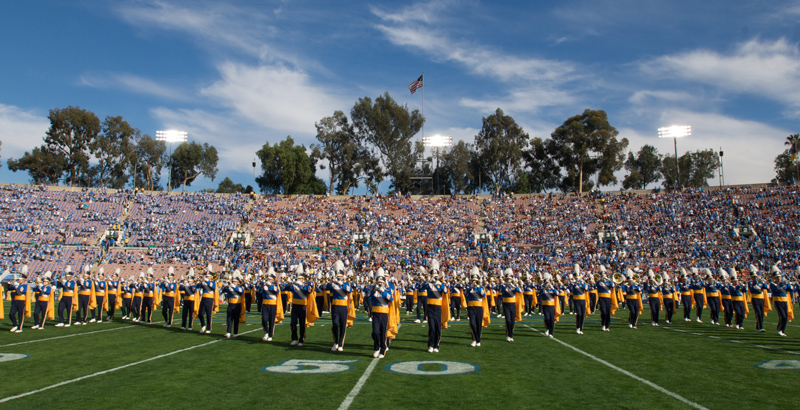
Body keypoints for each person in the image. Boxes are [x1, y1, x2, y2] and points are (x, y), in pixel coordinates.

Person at [326, 271, 351, 352]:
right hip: (335, 306)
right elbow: (325, 287)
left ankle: (340, 343)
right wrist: (331, 282)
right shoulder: (333, 284)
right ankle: (335, 342)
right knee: (335, 324)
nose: (339, 277)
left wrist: (341, 284)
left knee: (343, 325)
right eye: (338, 276)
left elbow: (349, 290)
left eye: (340, 276)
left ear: (343, 277)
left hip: (343, 307)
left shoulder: (346, 284)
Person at [369, 275, 393, 359]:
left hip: (384, 313)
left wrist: (383, 291)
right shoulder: (373, 289)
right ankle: (376, 347)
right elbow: (368, 297)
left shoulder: (387, 289)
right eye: (378, 282)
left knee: (383, 332)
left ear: (384, 283)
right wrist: (373, 291)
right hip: (375, 313)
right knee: (375, 332)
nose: (380, 284)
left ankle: (382, 350)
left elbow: (391, 299)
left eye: (381, 283)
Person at [287, 274, 314, 346]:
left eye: (300, 278)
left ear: (303, 279)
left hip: (303, 306)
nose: (298, 279)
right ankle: (294, 339)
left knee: (302, 323)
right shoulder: (294, 286)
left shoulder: (306, 286)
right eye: (297, 278)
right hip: (295, 306)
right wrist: (290, 282)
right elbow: (286, 288)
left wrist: (302, 285)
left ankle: (301, 339)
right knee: (293, 323)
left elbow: (309, 291)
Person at [424, 272, 448, 352]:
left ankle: (436, 345)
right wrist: (428, 281)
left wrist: (442, 283)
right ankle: (430, 345)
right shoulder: (429, 284)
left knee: (438, 327)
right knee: (432, 327)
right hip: (430, 308)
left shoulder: (440, 285)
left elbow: (446, 292)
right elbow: (421, 288)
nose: (435, 278)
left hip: (438, 308)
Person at [465, 273, 487, 346]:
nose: (474, 281)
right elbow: (466, 293)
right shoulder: (469, 287)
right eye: (473, 280)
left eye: (476, 280)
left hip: (479, 307)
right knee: (472, 323)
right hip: (471, 307)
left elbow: (484, 295)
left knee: (478, 324)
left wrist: (477, 287)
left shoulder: (480, 288)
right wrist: (471, 287)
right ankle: (474, 339)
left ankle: (478, 340)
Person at [258, 273, 281, 341]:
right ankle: (266, 333)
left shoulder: (274, 286)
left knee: (271, 320)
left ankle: (270, 335)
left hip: (272, 305)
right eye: (268, 279)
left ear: (272, 280)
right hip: (265, 304)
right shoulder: (264, 285)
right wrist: (262, 286)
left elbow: (277, 291)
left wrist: (270, 285)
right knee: (264, 319)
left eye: (270, 279)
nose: (268, 280)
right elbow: (259, 292)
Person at [499, 274, 521, 341]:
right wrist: (506, 286)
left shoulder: (514, 286)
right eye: (508, 279)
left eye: (510, 279)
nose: (509, 280)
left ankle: (511, 335)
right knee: (508, 320)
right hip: (506, 304)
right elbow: (500, 290)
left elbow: (519, 291)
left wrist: (514, 286)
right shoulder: (503, 286)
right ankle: (508, 335)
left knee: (512, 321)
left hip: (513, 304)